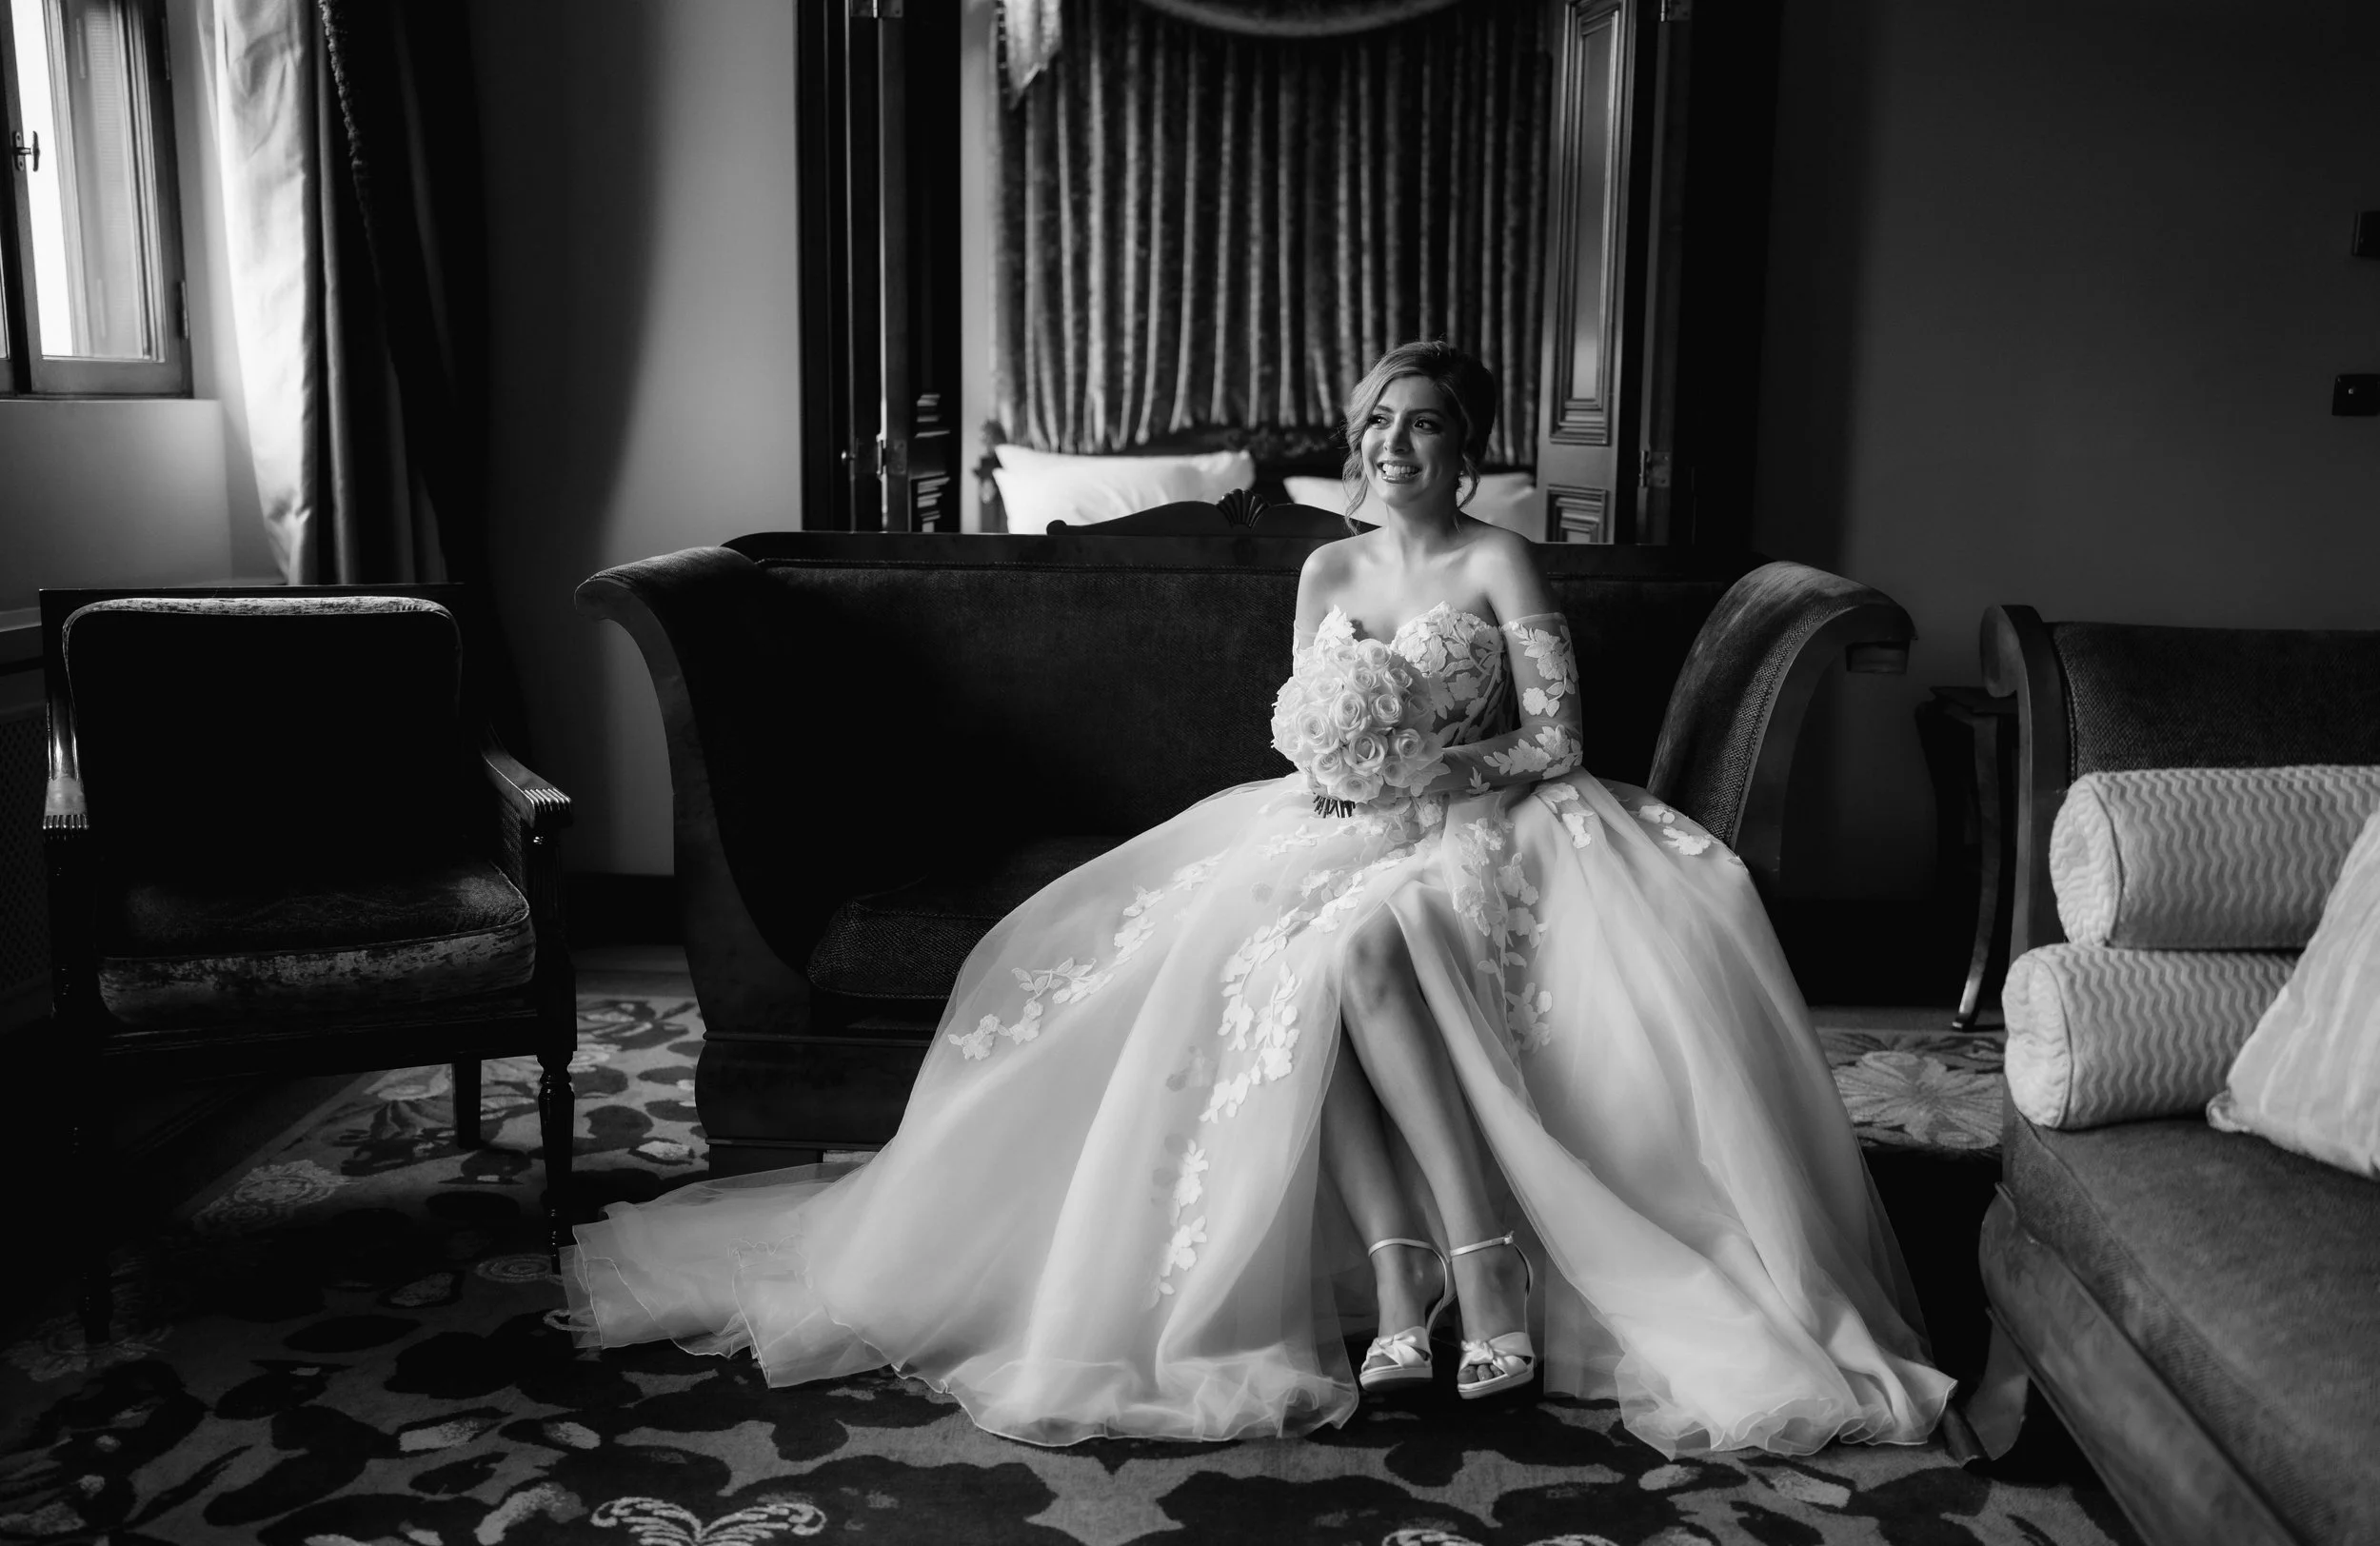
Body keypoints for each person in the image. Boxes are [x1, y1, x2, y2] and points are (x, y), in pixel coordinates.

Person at [561, 341, 1955, 1457]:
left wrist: (1429, 758)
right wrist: (1352, 763)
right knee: (1303, 952)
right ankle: (1422, 1282)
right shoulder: (1329, 566)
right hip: (1338, 822)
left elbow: (1557, 741)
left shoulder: (1494, 561)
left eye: (1419, 424)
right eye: (1375, 425)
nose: (1391, 445)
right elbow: (1297, 733)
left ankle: (1468, 1272)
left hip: (1497, 825)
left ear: (1464, 446)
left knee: (1373, 937)